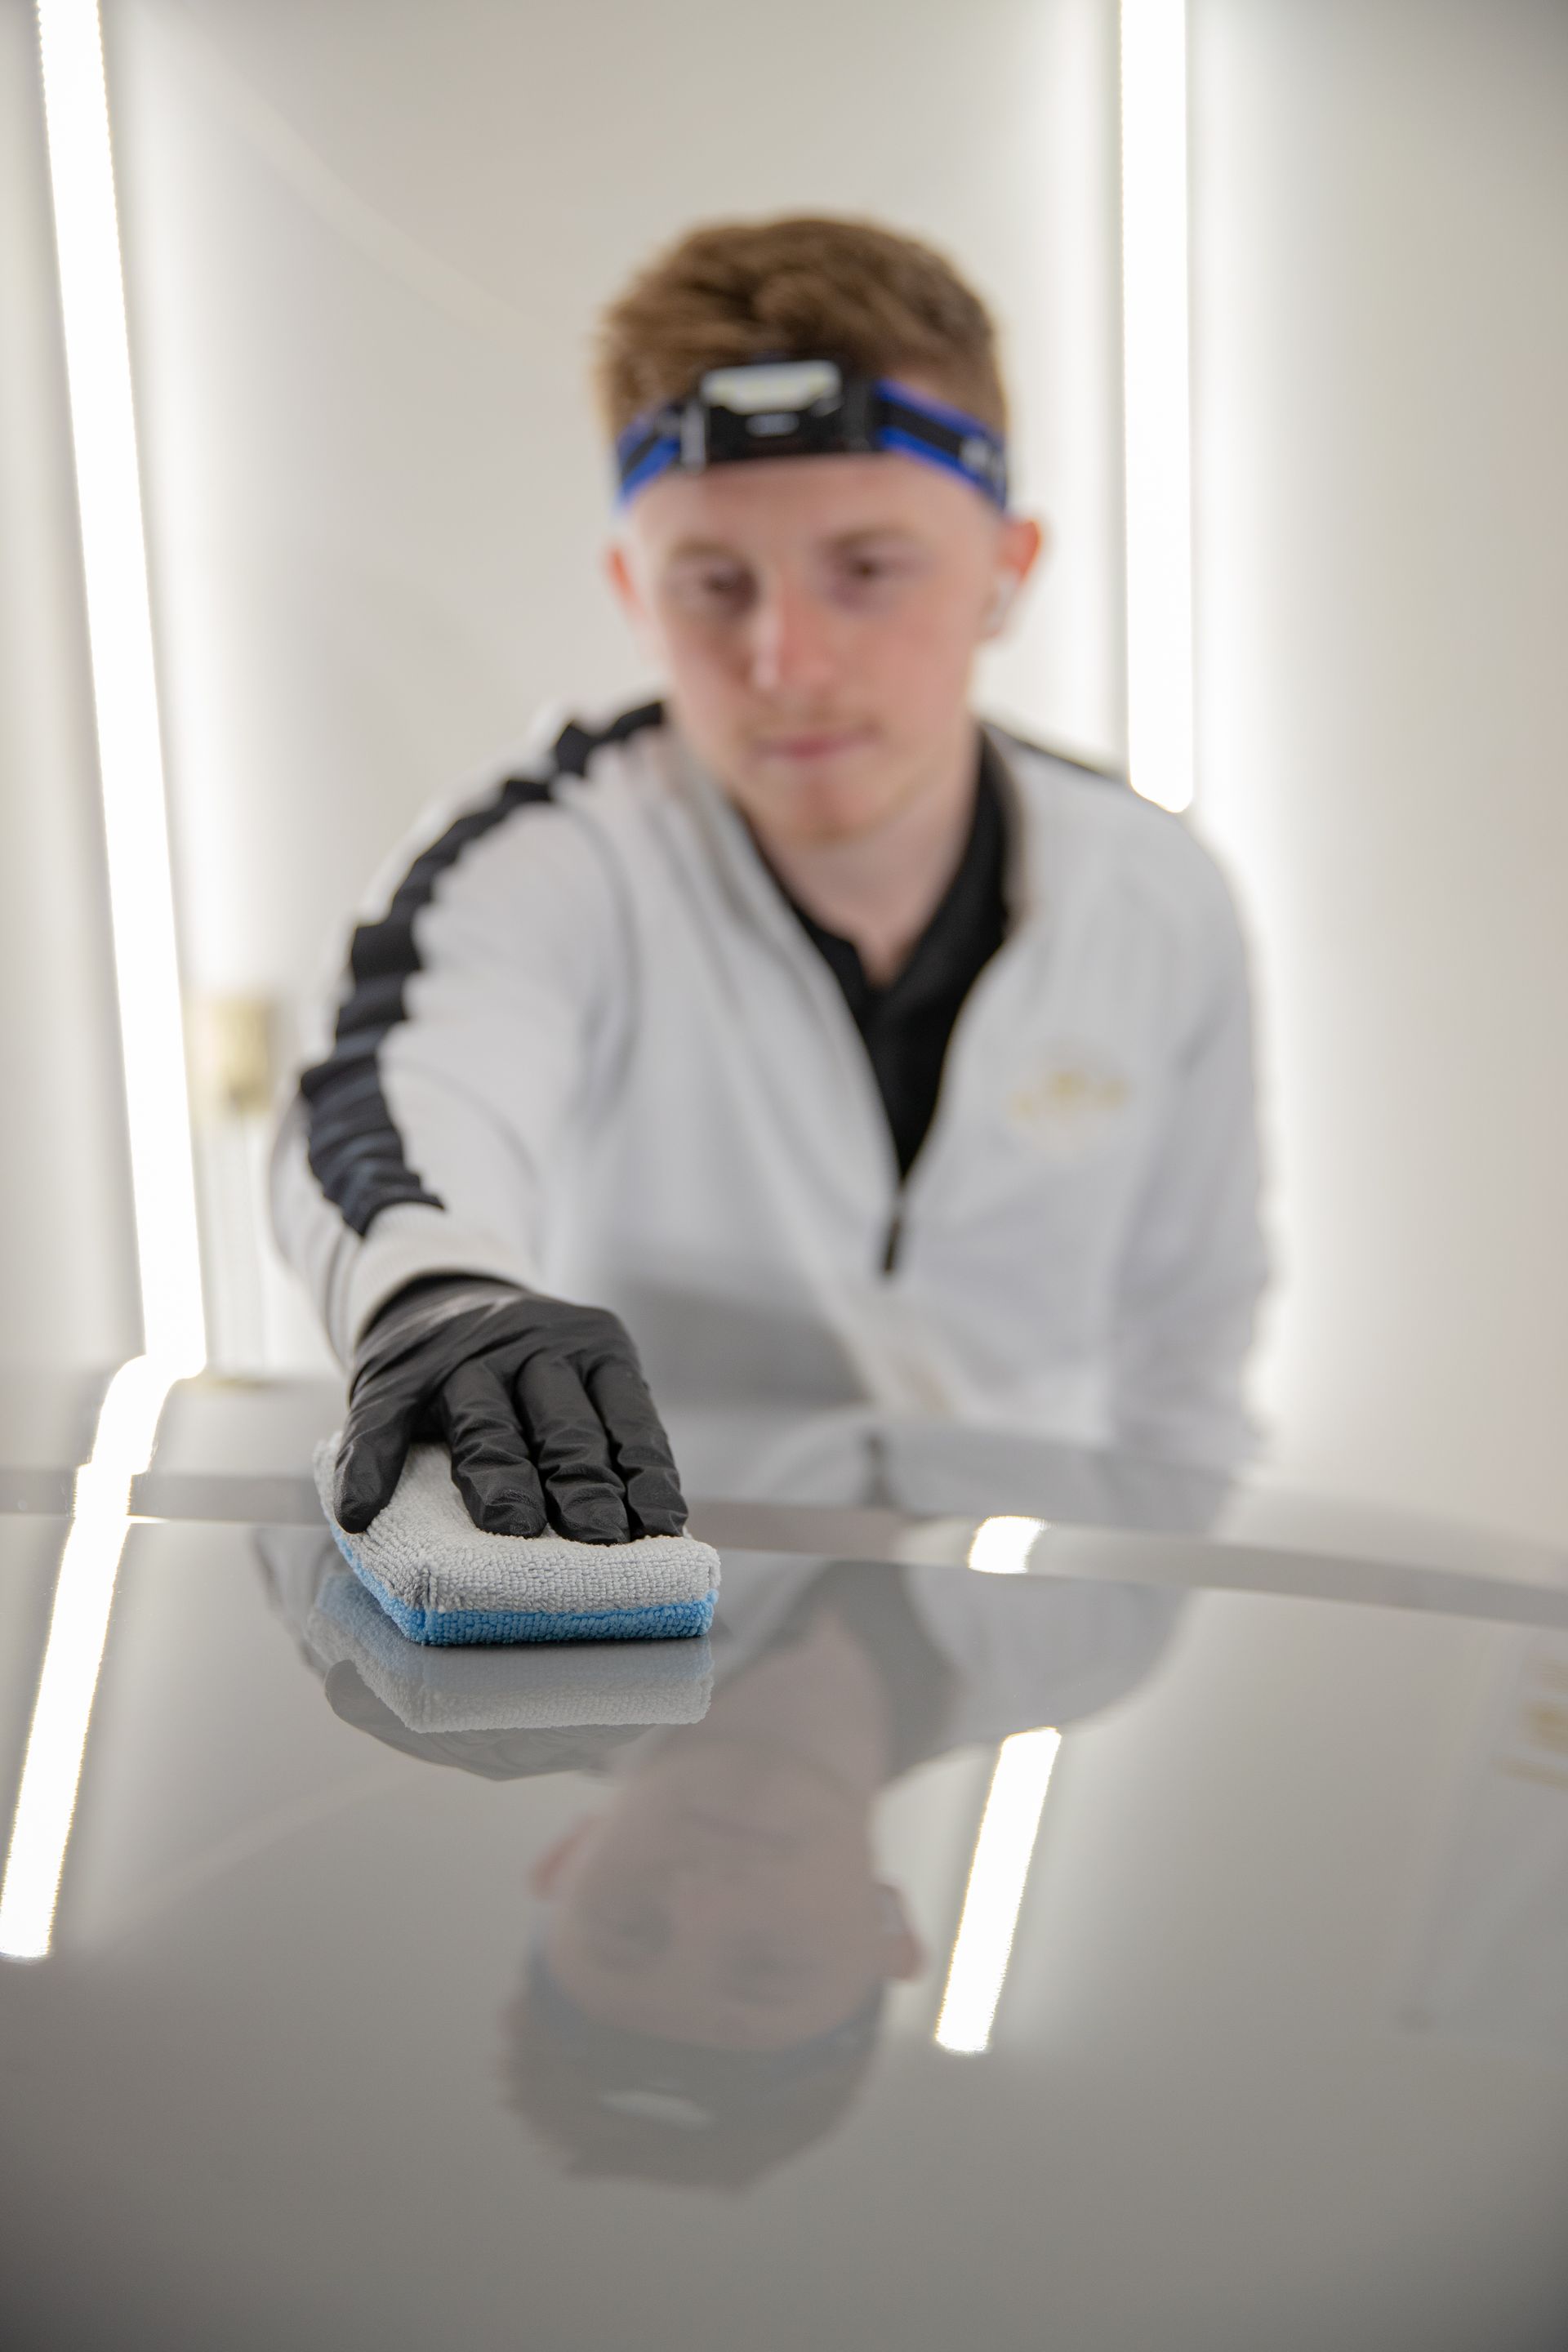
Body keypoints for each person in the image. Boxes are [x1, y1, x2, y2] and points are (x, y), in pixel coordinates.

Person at [269, 214, 1267, 1546]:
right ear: (633, 588)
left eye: (867, 570)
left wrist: (1136, 1636)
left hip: (1031, 1657)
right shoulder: (551, 861)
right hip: (650, 1624)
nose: (786, 661)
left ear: (1006, 572)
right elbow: (395, 1097)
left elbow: (1191, 1348)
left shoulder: (1160, 895)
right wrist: (440, 1297)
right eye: (714, 584)